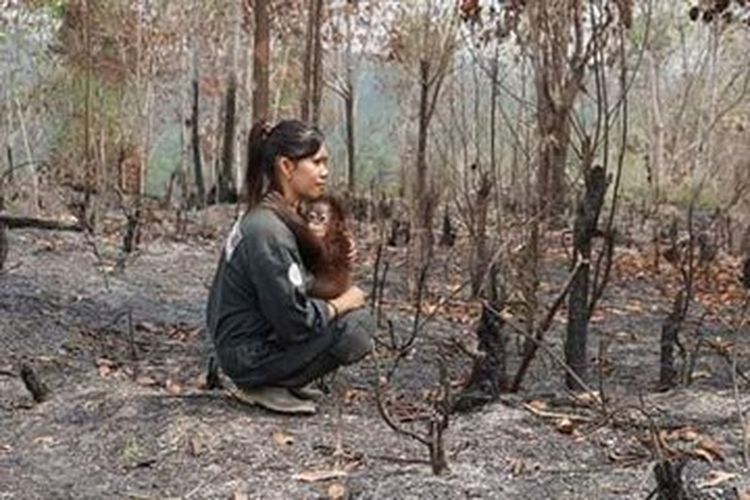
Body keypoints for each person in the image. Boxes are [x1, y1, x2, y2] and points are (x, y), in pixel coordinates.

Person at [206, 119, 374, 414]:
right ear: (286, 166)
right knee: (357, 326)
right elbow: (295, 322)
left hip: (244, 346)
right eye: (316, 162)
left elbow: (297, 285)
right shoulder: (268, 230)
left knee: (349, 314)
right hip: (247, 356)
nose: (325, 172)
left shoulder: (274, 215)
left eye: (326, 162)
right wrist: (343, 303)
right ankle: (264, 385)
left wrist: (337, 262)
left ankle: (276, 380)